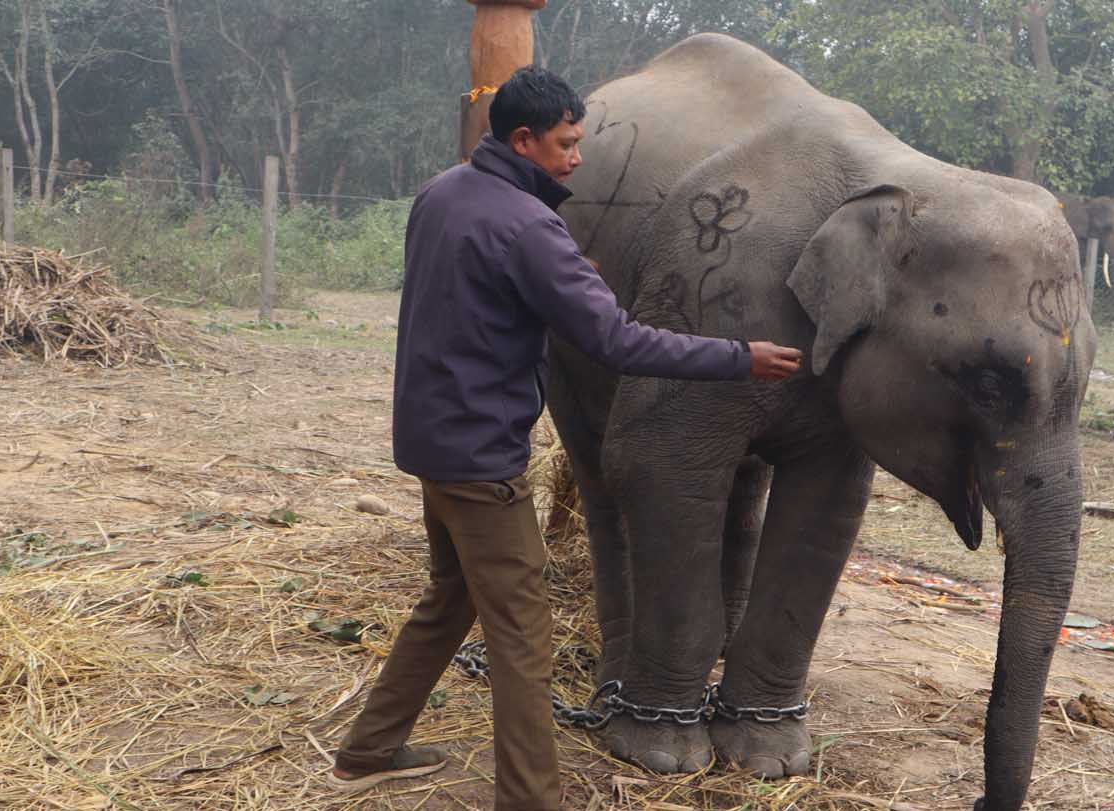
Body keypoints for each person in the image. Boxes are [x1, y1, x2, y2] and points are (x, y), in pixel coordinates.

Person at [328, 65, 803, 810]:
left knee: (449, 598)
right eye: (565, 144)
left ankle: (368, 748)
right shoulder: (529, 227)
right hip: (482, 459)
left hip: (428, 440)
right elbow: (617, 341)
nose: (576, 157)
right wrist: (740, 358)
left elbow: (473, 283)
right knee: (523, 639)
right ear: (523, 140)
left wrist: (556, 271)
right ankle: (531, 798)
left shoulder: (442, 193)